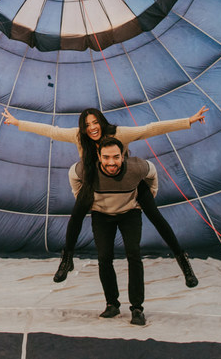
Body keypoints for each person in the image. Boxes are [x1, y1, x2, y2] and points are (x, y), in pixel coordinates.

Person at [2, 103, 207, 286]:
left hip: (127, 181)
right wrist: (19, 122)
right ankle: (67, 259)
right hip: (97, 184)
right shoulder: (78, 136)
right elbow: (51, 131)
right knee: (76, 215)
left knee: (156, 216)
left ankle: (182, 260)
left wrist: (187, 121)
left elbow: (149, 129)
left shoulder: (118, 133)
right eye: (87, 124)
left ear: (101, 122)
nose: (92, 127)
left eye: (95, 122)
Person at [71, 136, 153, 325]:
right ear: (99, 157)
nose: (111, 162)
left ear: (123, 156)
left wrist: (149, 197)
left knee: (134, 254)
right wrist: (83, 200)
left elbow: (153, 172)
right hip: (102, 215)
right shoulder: (87, 171)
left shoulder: (136, 168)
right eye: (106, 157)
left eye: (116, 157)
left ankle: (137, 308)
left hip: (129, 213)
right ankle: (112, 304)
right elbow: (73, 178)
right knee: (104, 256)